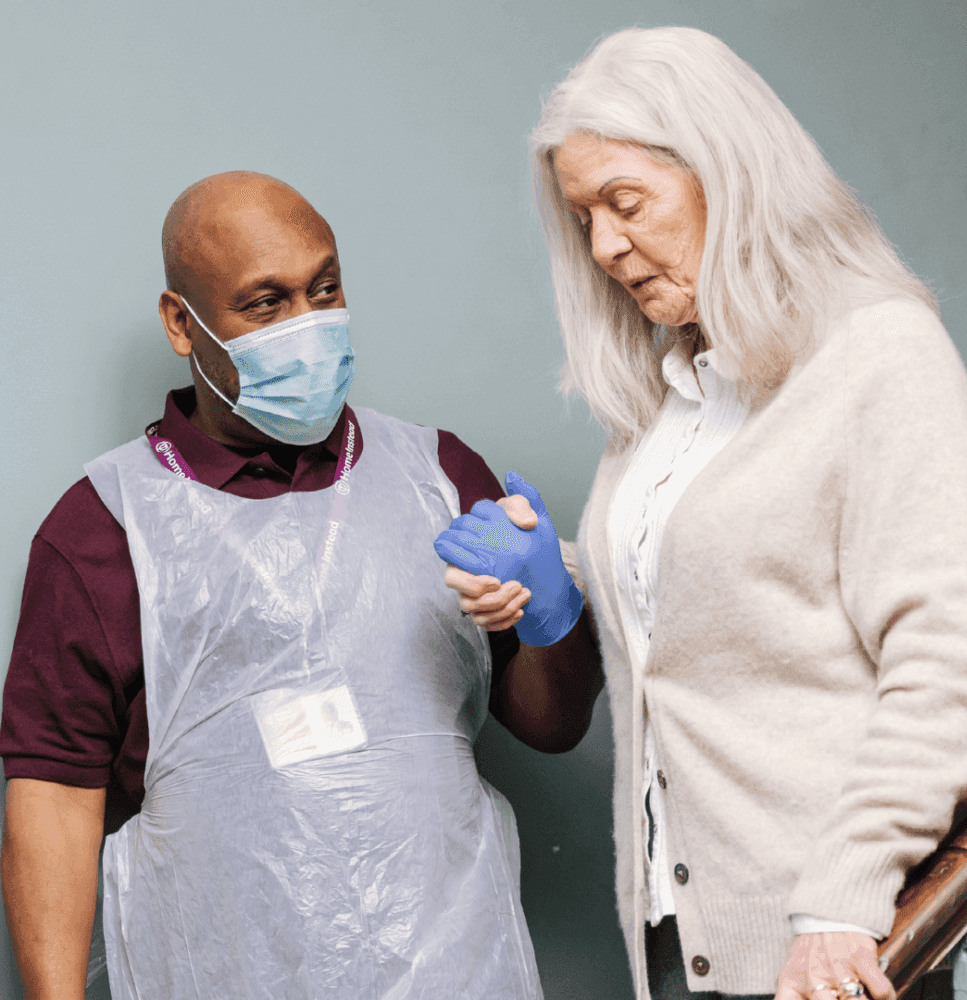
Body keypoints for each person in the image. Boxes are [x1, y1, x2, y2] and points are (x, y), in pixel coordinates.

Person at [433, 26, 967, 1000]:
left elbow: (955, 663)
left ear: (725, 173)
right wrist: (557, 580)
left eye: (626, 202)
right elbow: (721, 607)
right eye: (585, 220)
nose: (606, 246)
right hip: (681, 936)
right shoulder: (667, 401)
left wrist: (839, 905)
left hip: (836, 946)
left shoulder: (877, 354)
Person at [0, 171, 604, 1000]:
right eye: (266, 304)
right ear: (184, 323)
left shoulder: (437, 476)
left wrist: (554, 613)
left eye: (325, 289)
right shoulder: (104, 529)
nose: (308, 327)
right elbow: (53, 799)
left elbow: (553, 725)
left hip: (457, 969)